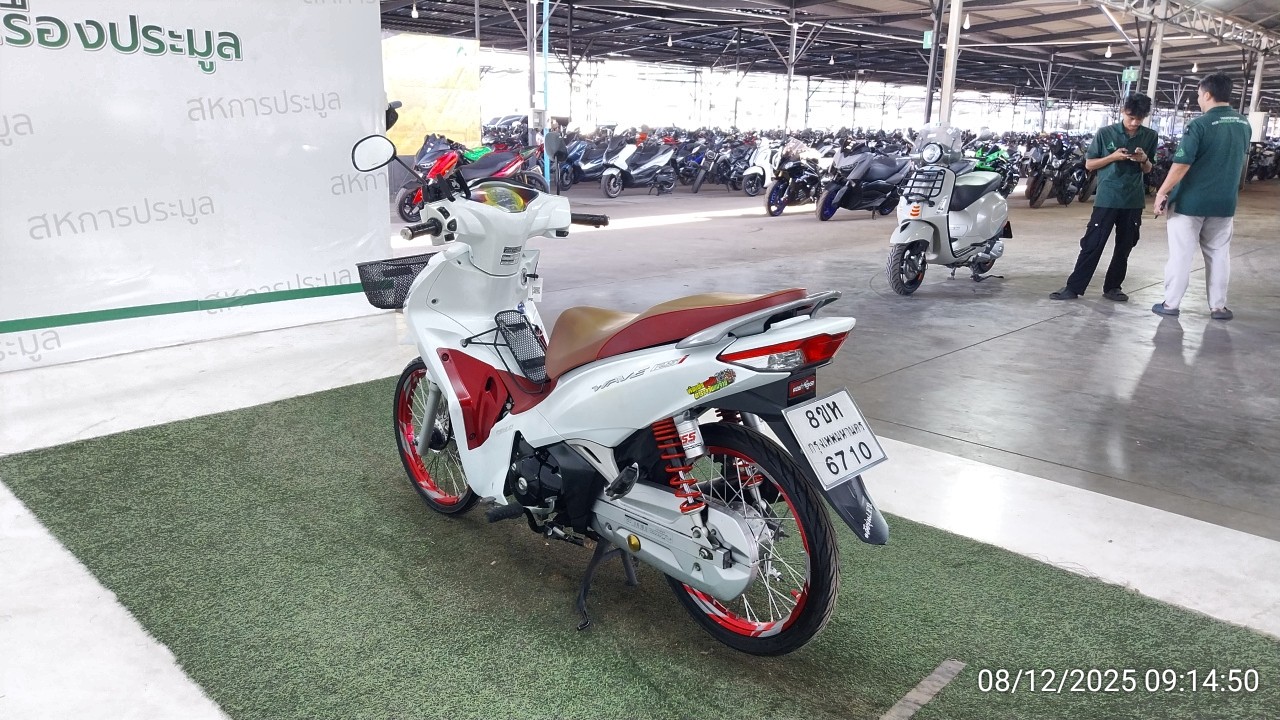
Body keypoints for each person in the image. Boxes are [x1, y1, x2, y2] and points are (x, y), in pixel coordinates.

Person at [1152, 73, 1252, 321]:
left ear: (1207, 94)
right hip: (1224, 203)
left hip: (1190, 203)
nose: (1198, 99)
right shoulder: (1244, 124)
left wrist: (1162, 191)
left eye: (1198, 95)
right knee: (1219, 254)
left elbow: (1181, 164)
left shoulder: (1199, 125)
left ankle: (1171, 303)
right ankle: (1218, 307)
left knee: (1181, 255)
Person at [1050, 94, 1158, 302]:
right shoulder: (1105, 133)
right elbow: (1090, 164)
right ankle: (1073, 287)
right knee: (1092, 244)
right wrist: (1113, 157)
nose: (1135, 123)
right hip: (1107, 198)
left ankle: (1113, 287)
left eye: (1139, 119)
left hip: (1133, 200)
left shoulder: (1150, 136)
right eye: (1131, 117)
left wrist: (1143, 159)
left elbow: (1148, 169)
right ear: (1123, 111)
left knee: (1125, 246)